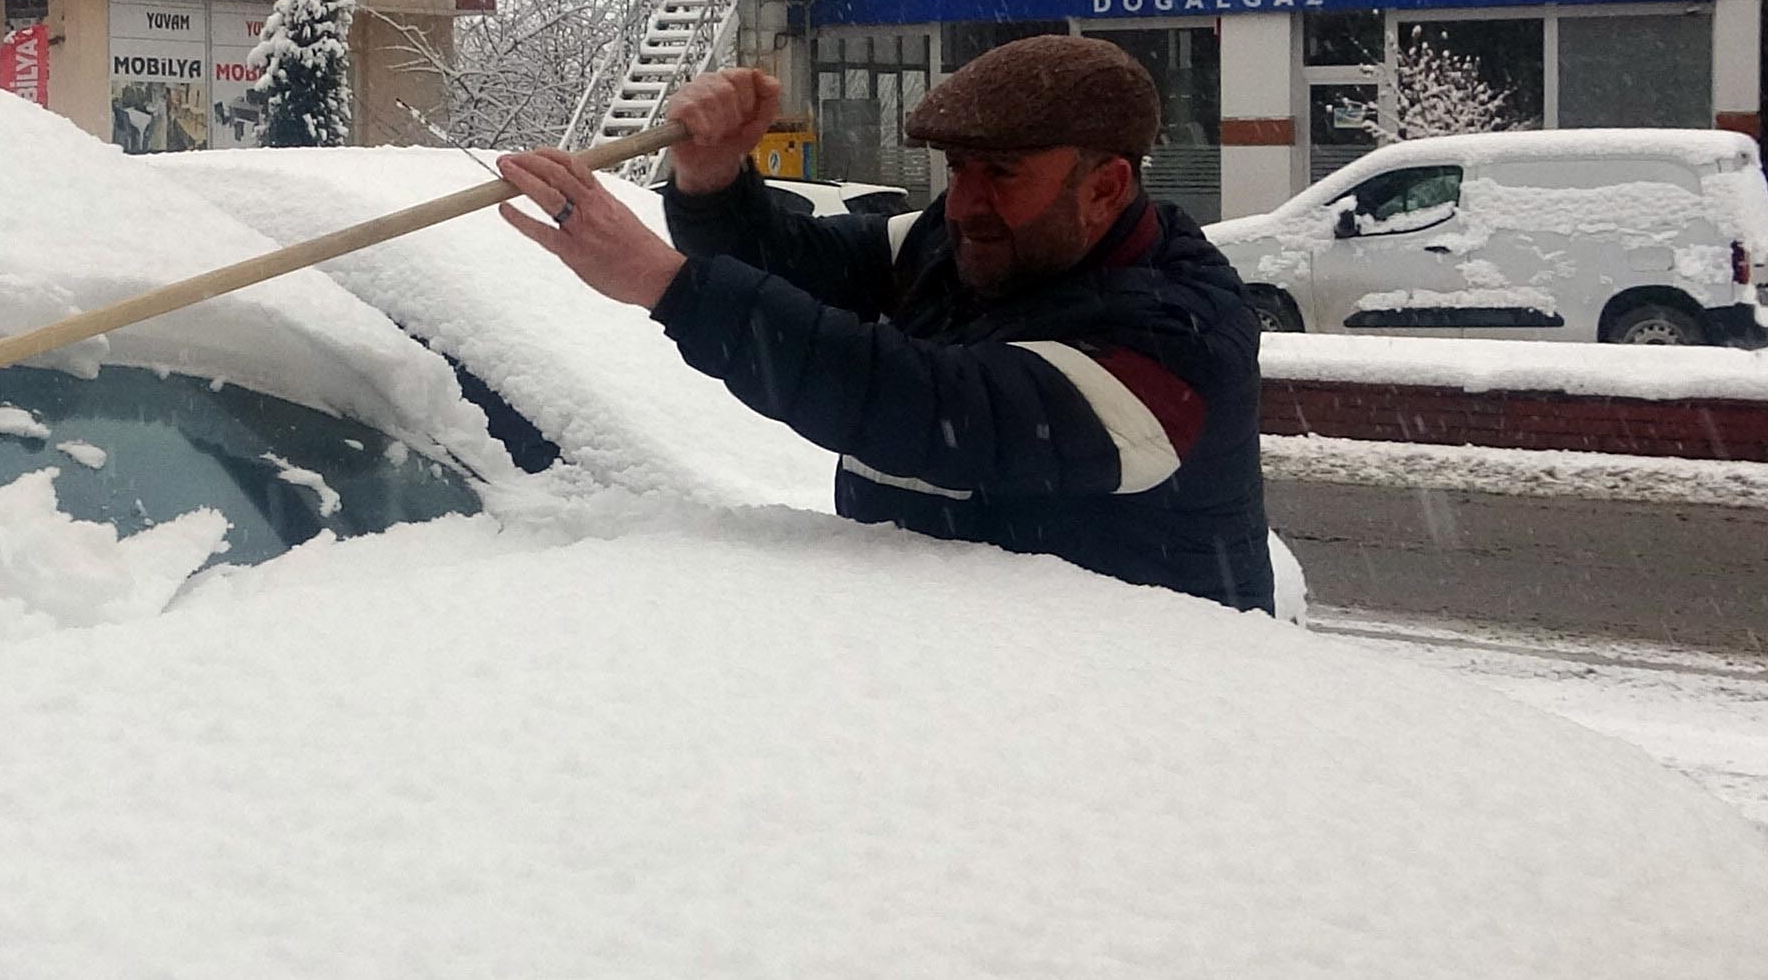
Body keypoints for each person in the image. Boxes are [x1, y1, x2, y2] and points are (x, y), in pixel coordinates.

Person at [493, 37, 1271, 612]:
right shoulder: (953, 243)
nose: (965, 205)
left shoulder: (1175, 340)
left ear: (1105, 188)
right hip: (947, 680)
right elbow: (788, 265)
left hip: (1133, 730)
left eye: (1000, 174)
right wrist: (712, 179)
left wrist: (664, 284)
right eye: (957, 169)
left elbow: (925, 407)